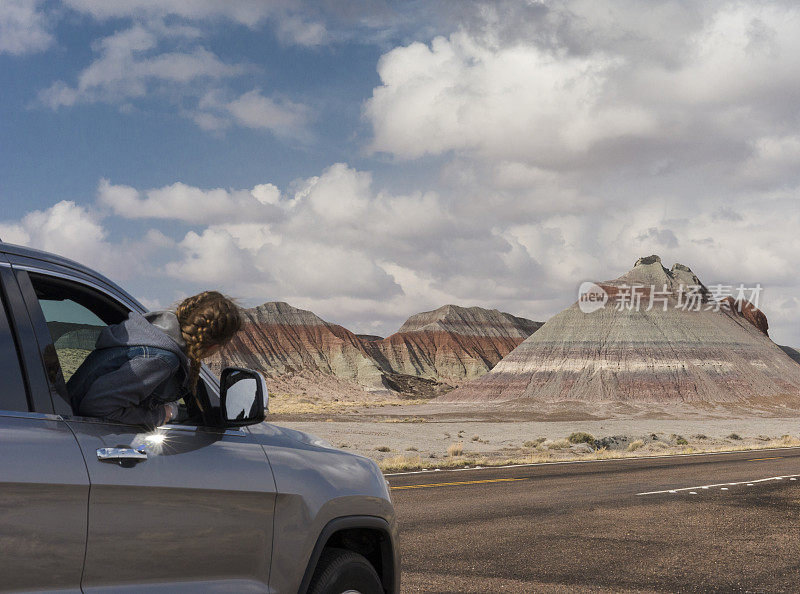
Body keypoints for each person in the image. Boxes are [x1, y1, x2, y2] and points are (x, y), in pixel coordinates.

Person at [67, 291, 242, 427]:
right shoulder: (161, 358)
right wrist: (161, 415)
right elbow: (97, 407)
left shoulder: (146, 332)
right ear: (214, 346)